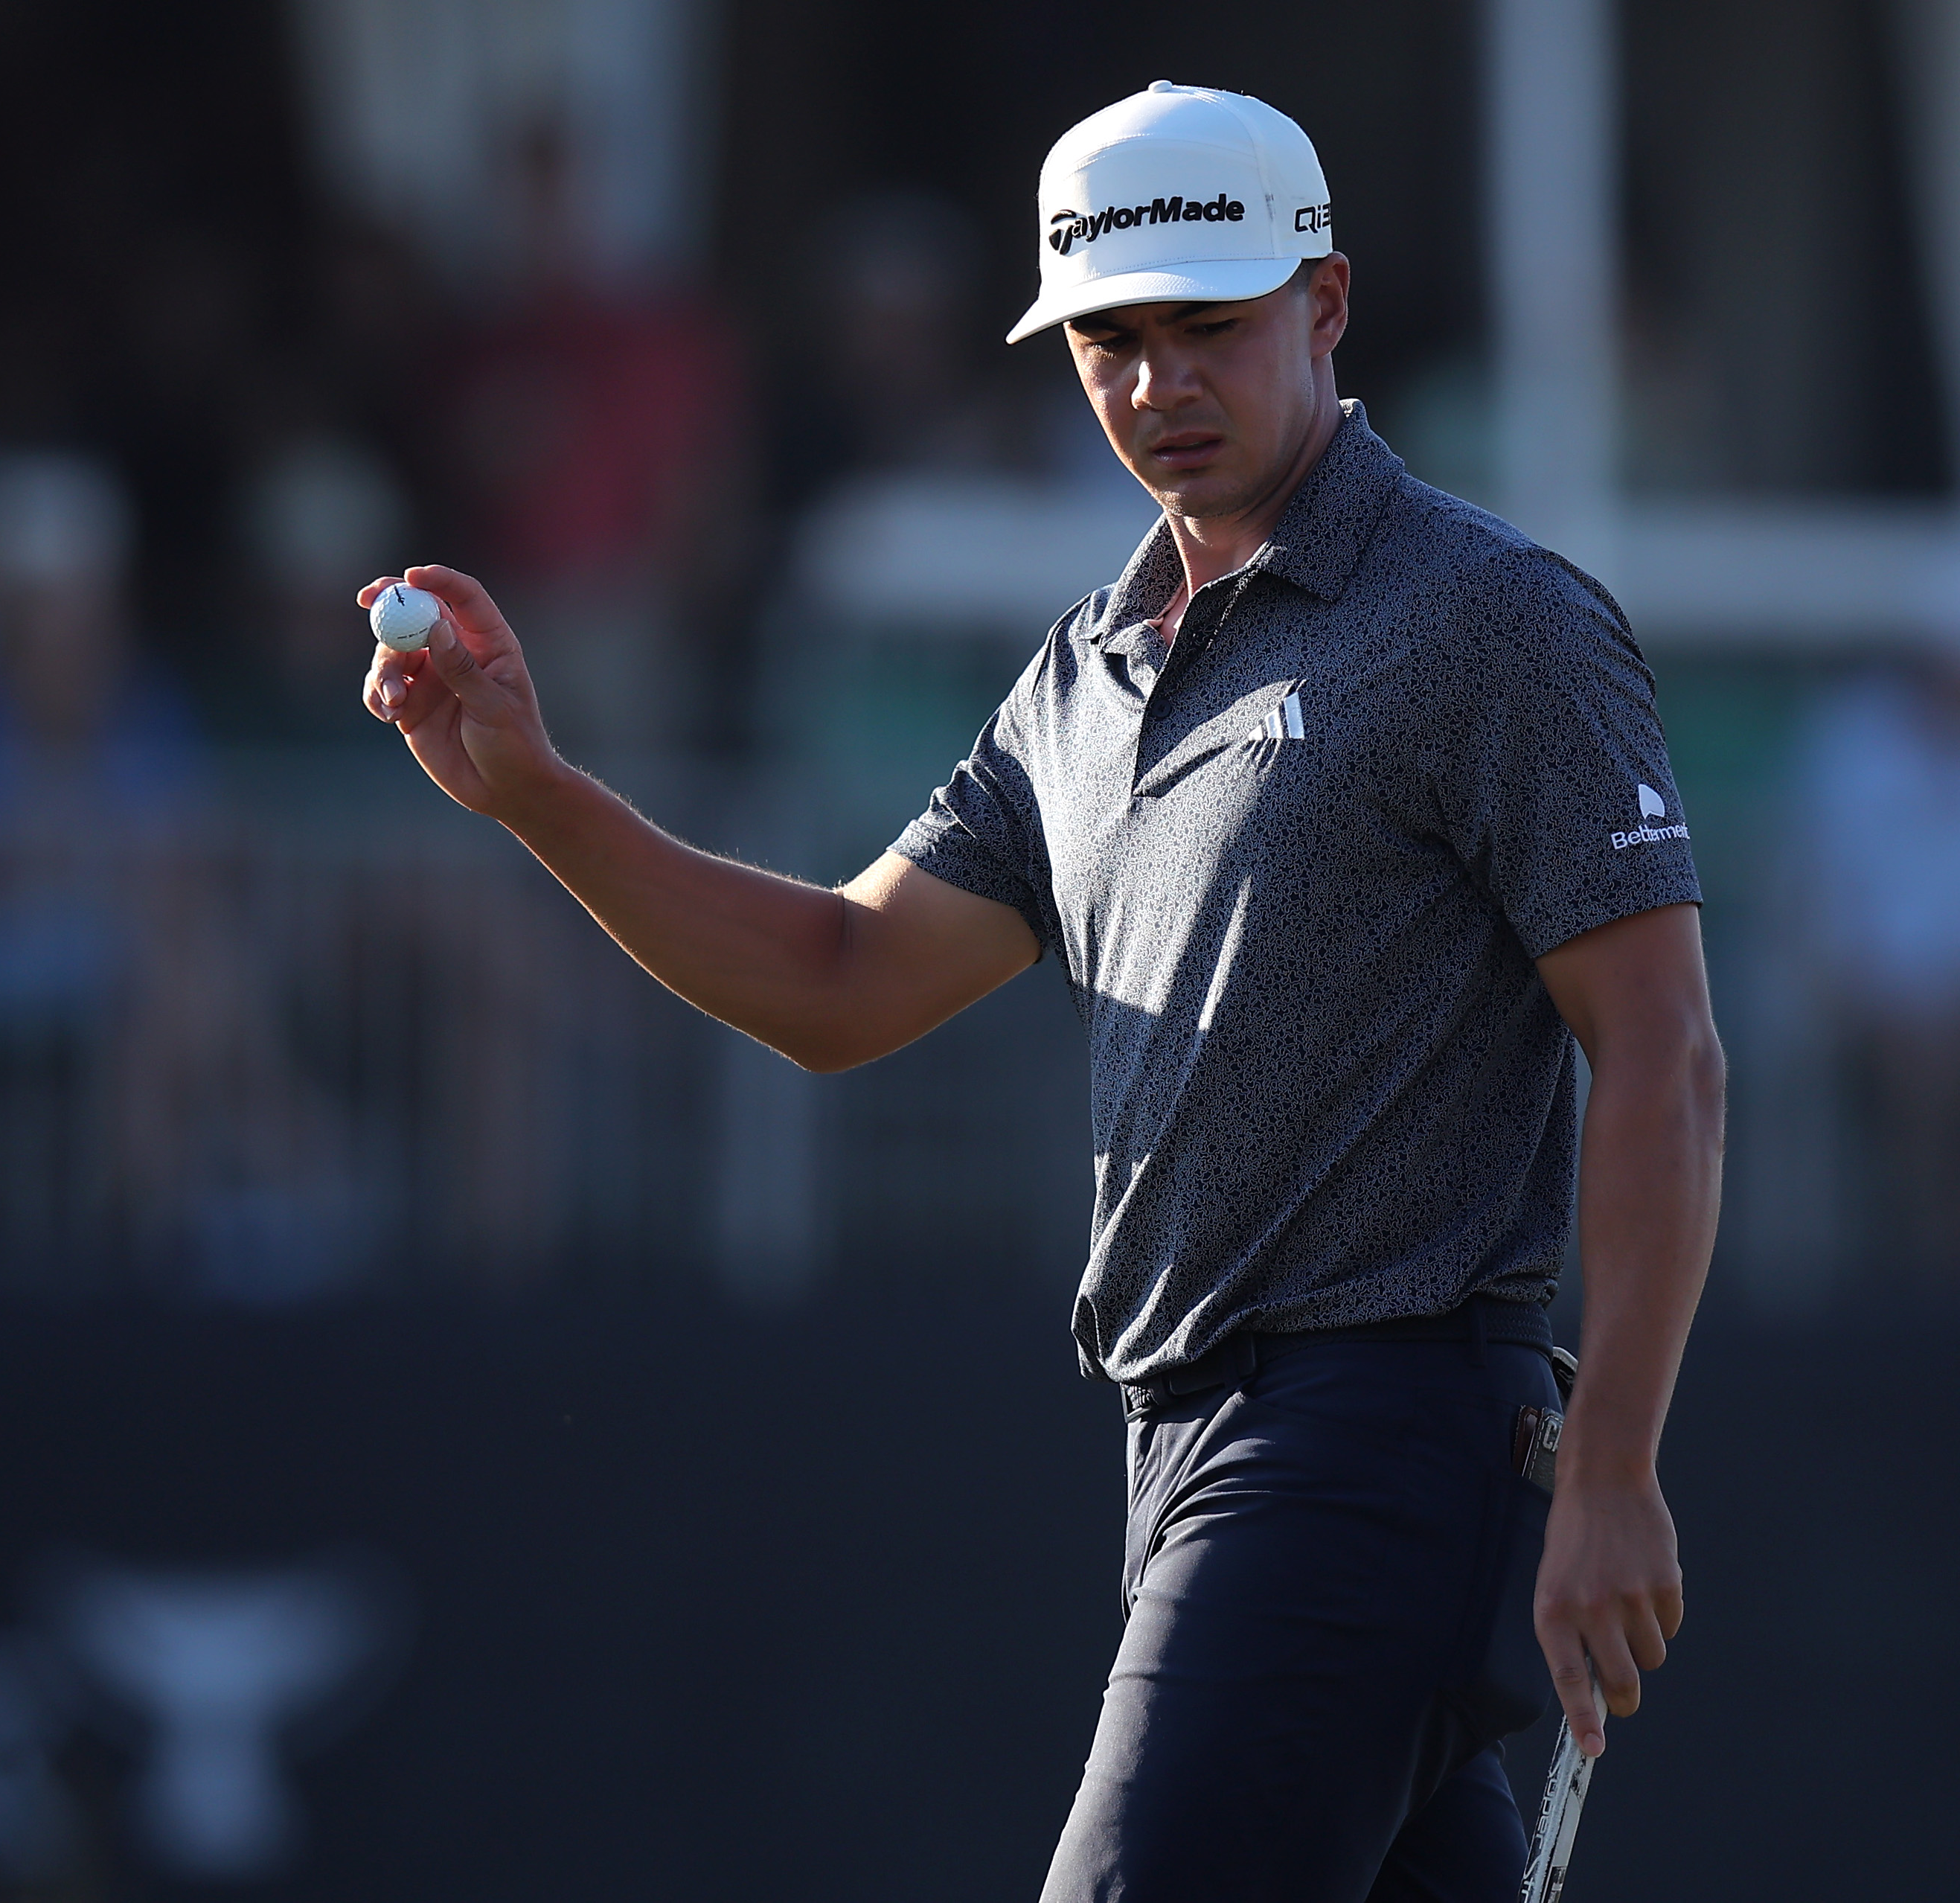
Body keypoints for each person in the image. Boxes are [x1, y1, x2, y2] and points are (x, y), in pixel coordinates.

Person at [363, 82, 1722, 1903]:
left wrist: (1619, 1466)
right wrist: (538, 796)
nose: (1157, 384)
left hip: (1373, 1446)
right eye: (1111, 341)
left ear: (1323, 306)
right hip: (1191, 1453)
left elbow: (1664, 1054)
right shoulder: (1084, 674)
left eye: (1208, 330)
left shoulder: (1493, 617)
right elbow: (842, 980)